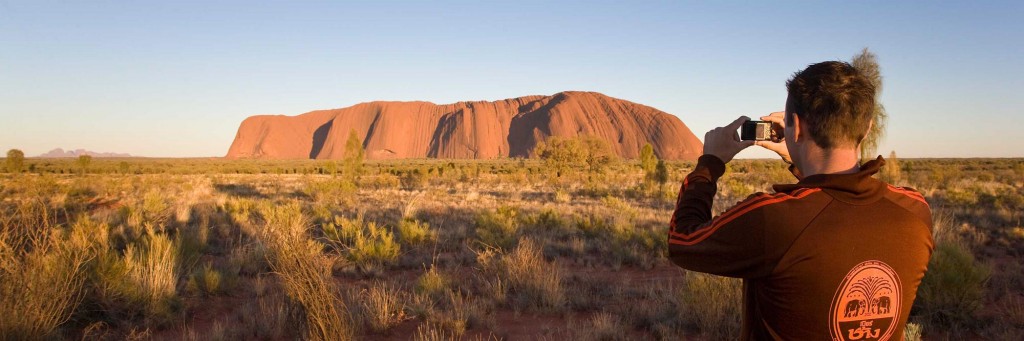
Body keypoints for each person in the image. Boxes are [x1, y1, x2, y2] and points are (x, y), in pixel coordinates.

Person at [667, 61, 932, 340]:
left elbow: (682, 242)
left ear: (796, 128)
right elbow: (829, 202)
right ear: (866, 129)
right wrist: (801, 159)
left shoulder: (772, 218)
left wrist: (709, 164)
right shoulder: (914, 210)